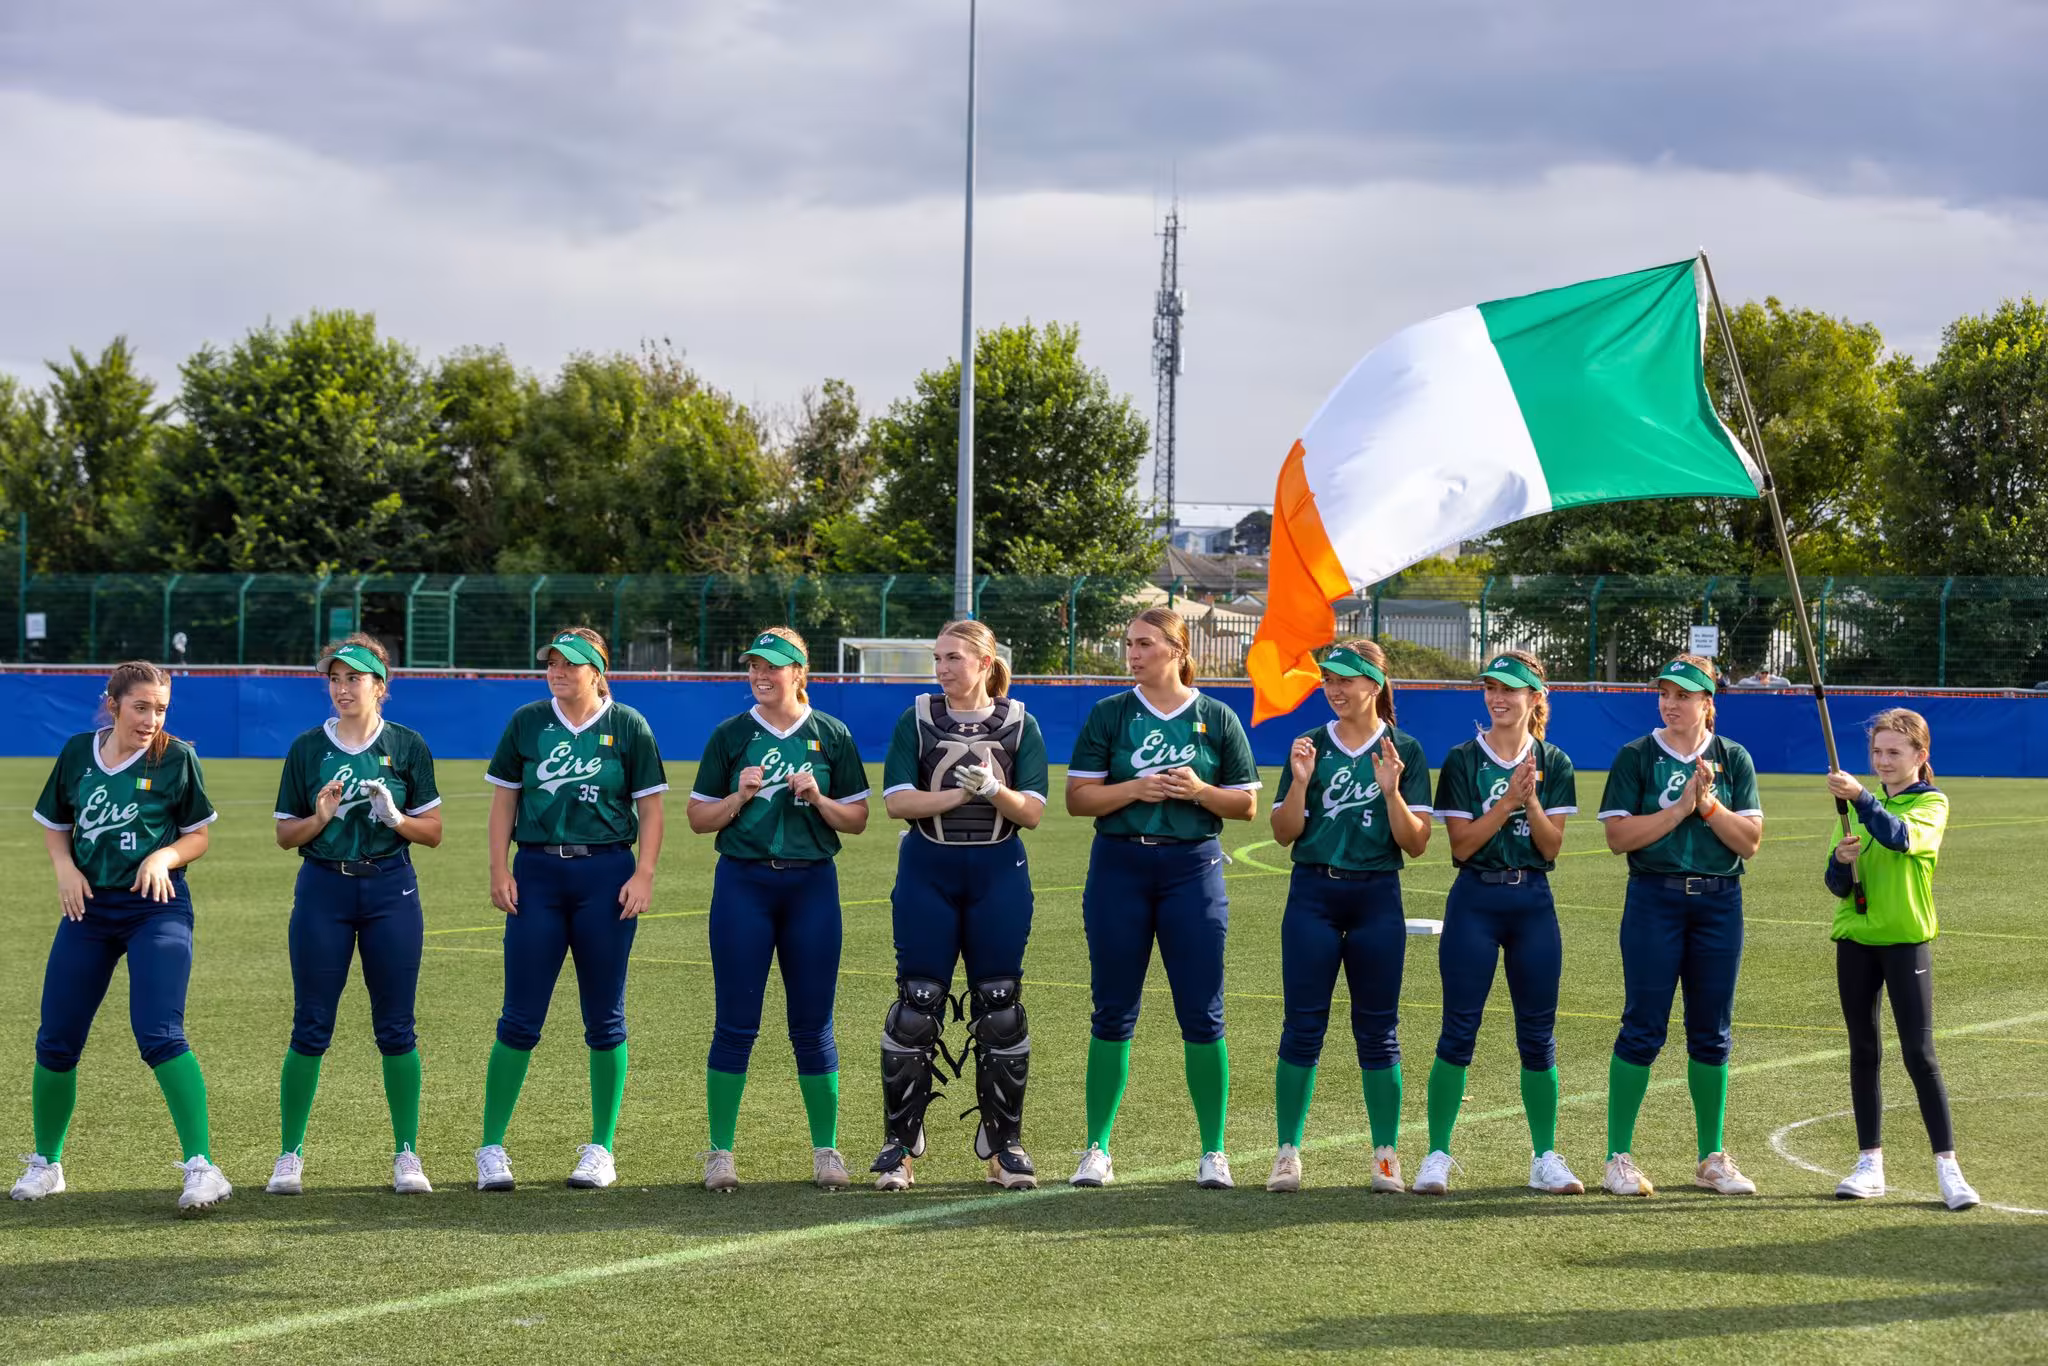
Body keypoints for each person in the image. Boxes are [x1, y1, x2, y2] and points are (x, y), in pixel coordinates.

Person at [13, 662, 228, 1214]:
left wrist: (165, 854)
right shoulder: (77, 753)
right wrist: (64, 867)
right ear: (112, 704)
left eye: (160, 709)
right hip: (87, 908)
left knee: (158, 1032)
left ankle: (203, 1167)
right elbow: (56, 824)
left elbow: (197, 836)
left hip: (156, 908)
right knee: (57, 1039)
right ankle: (47, 1163)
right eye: (141, 707)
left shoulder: (177, 758)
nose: (152, 719)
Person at [1066, 608, 1261, 1191]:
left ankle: (1214, 1152)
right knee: (1112, 1010)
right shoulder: (1110, 713)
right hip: (1119, 867)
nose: (1133, 653)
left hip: (1192, 868)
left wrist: (1201, 791)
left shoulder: (1216, 716)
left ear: (1177, 649)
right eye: (1129, 643)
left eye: (1145, 643)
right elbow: (1078, 800)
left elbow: (1247, 806)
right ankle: (1097, 1148)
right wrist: (1135, 789)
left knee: (1203, 1013)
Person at [475, 628, 668, 1193]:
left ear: (596, 671)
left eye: (570, 665)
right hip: (537, 873)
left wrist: (644, 874)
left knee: (605, 1017)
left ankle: (601, 1148)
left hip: (606, 876)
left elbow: (652, 810)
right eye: (552, 663)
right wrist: (499, 868)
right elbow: (505, 800)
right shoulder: (528, 721)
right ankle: (491, 1147)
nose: (558, 672)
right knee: (519, 1018)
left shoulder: (627, 725)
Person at [871, 621, 1051, 1192]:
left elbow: (1033, 812)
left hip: (999, 872)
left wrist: (995, 791)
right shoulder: (917, 718)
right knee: (917, 1004)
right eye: (938, 657)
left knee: (999, 1005)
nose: (943, 668)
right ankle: (899, 1146)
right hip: (929, 869)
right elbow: (898, 802)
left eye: (953, 658)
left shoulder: (1020, 722)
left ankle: (1004, 1146)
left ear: (983, 662)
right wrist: (959, 794)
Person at [689, 627, 870, 1192]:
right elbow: (698, 819)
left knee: (813, 1025)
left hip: (811, 886)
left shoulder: (831, 734)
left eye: (772, 667)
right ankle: (720, 1153)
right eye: (753, 667)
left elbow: (858, 819)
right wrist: (739, 797)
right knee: (735, 1023)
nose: (760, 676)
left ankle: (826, 1151)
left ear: (799, 671)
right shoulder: (730, 734)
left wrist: (818, 799)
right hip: (743, 885)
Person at [266, 635, 443, 1196]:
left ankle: (407, 1154)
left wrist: (395, 818)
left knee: (396, 1028)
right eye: (335, 679)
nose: (342, 689)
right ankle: (289, 1155)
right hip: (324, 889)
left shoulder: (407, 745)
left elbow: (433, 832)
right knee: (310, 1027)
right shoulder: (305, 749)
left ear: (380, 687)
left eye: (354, 679)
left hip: (391, 890)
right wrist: (319, 816)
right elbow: (283, 834)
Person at [1266, 641, 1432, 1194]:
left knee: (1379, 1031)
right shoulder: (1309, 744)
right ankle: (1287, 1152)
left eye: (1346, 680)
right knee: (1302, 1026)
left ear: (1375, 685)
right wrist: (1298, 782)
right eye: (1328, 680)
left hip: (1376, 898)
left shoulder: (1403, 747)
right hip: (1313, 892)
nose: (1334, 690)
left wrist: (1391, 793)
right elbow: (1284, 833)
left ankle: (1386, 1155)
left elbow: (1416, 843)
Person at [1596, 654, 1764, 1197]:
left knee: (1712, 1033)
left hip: (1719, 904)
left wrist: (1709, 806)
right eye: (1665, 693)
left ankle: (1711, 1158)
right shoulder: (1637, 756)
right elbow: (1620, 838)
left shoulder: (1734, 757)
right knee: (1642, 1027)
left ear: (1707, 703)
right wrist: (1681, 809)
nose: (1670, 703)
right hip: (1654, 899)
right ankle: (1617, 1157)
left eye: (1683, 695)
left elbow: (1750, 843)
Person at [1417, 651, 1582, 1197]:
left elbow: (1551, 844)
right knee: (1457, 1030)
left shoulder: (1553, 761)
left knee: (1538, 1037)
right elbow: (1461, 846)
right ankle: (1437, 1152)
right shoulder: (1464, 759)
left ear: (1536, 697)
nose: (1499, 698)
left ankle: (1545, 1156)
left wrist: (1529, 804)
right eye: (1491, 688)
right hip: (1476, 901)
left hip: (1532, 901)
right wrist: (1509, 798)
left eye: (1511, 690)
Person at [1824, 709, 1980, 1210]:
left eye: (1894, 752)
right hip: (1856, 942)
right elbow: (1837, 887)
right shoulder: (1851, 813)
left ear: (1920, 756)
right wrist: (1840, 862)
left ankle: (1949, 1169)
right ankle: (1870, 1164)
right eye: (1877, 752)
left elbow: (1901, 837)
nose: (1883, 760)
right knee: (1863, 1052)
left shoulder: (1930, 804)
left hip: (1906, 940)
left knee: (1920, 1055)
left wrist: (1862, 798)